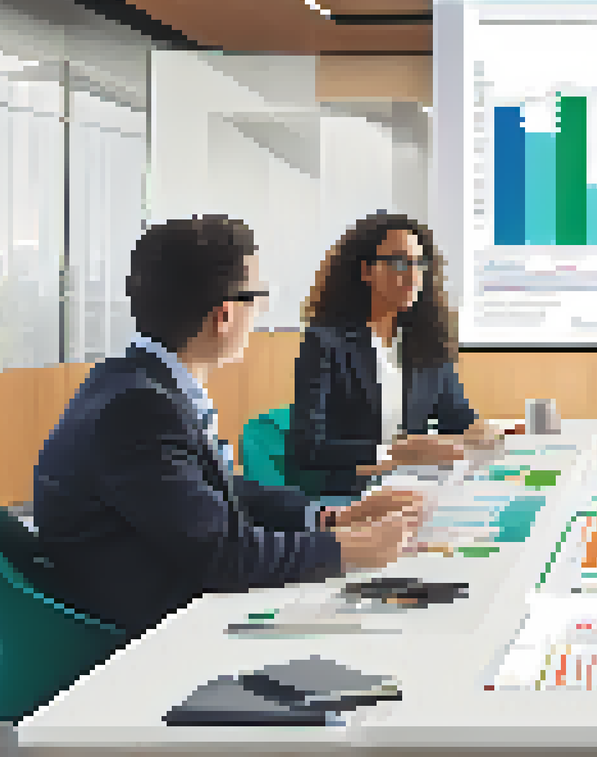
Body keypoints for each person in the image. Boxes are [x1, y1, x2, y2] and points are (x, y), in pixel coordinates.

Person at [33, 215, 422, 638]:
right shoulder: (138, 409)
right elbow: (226, 556)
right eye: (258, 297)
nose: (259, 313)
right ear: (223, 315)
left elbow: (213, 492)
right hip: (157, 632)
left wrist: (330, 518)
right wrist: (352, 547)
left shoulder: (136, 381)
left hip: (178, 593)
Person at [292, 212, 499, 500]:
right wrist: (395, 452)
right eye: (399, 262)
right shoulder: (326, 342)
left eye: (418, 264)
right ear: (366, 271)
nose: (412, 275)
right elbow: (307, 448)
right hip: (355, 496)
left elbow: (457, 416)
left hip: (421, 485)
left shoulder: (426, 341)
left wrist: (487, 433)